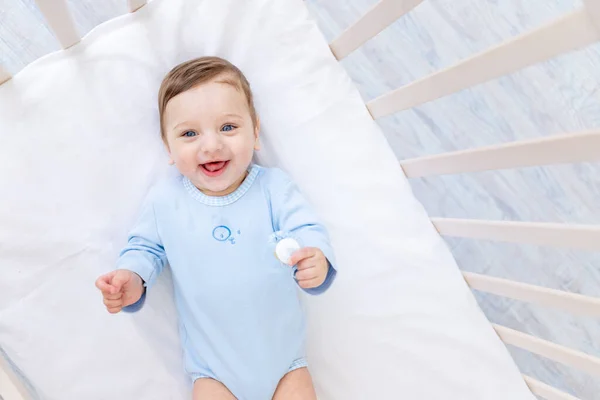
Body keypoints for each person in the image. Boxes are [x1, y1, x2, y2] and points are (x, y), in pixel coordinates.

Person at [95, 56, 336, 400]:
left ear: (255, 132)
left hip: (286, 365)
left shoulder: (272, 188)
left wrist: (317, 258)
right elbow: (144, 249)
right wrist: (131, 279)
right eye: (190, 134)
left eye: (227, 127)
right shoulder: (165, 200)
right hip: (213, 374)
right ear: (168, 148)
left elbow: (306, 226)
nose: (211, 145)